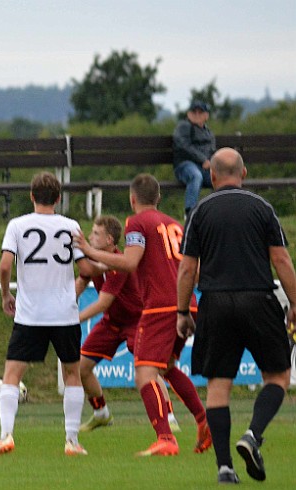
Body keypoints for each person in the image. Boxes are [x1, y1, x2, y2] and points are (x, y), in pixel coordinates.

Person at [177, 148, 296, 484]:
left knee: (218, 387)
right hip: (258, 299)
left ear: (211, 177)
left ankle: (225, 467)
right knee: (277, 377)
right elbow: (282, 261)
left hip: (215, 303)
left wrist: (183, 312)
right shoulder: (262, 208)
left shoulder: (199, 211)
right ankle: (253, 436)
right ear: (244, 173)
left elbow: (187, 269)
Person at [74, 174, 211, 457]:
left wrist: (87, 250)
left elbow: (129, 262)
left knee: (145, 373)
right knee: (167, 368)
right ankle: (202, 419)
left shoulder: (136, 222)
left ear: (132, 199)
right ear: (158, 198)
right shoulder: (175, 224)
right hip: (187, 302)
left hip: (161, 306)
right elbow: (195, 269)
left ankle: (165, 438)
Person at [0, 171, 95, 458]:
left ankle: (5, 435)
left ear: (31, 196)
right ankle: (72, 441)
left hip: (30, 314)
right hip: (64, 314)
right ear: (58, 199)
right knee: (72, 374)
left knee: (12, 374)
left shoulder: (18, 225)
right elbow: (86, 270)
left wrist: (5, 294)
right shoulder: (70, 225)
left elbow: (4, 266)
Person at [75, 216, 180, 433]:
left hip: (136, 321)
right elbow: (80, 282)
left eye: (96, 233)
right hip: (112, 323)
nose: (90, 236)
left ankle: (168, 417)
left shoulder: (119, 263)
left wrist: (72, 320)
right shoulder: (92, 261)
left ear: (110, 240)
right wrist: (61, 308)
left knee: (149, 372)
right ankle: (101, 414)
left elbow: (103, 303)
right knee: (81, 367)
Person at [172, 100, 216, 218]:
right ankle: (190, 213)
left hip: (204, 168)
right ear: (188, 114)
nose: (197, 114)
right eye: (194, 112)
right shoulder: (183, 127)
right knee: (196, 176)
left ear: (206, 115)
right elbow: (184, 146)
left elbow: (212, 152)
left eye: (200, 112)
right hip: (185, 165)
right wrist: (203, 160)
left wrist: (212, 162)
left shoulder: (209, 133)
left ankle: (217, 211)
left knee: (220, 178)